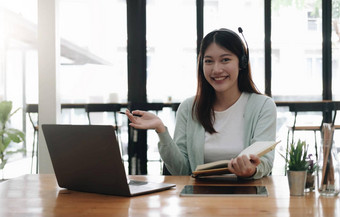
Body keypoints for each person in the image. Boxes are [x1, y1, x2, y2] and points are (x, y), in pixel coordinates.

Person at [125, 28, 277, 179]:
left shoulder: (263, 106)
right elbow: (181, 170)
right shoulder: (189, 108)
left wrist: (251, 169)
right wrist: (161, 130)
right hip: (199, 197)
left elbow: (265, 162)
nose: (216, 69)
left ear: (241, 63)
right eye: (209, 61)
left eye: (225, 59)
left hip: (247, 196)